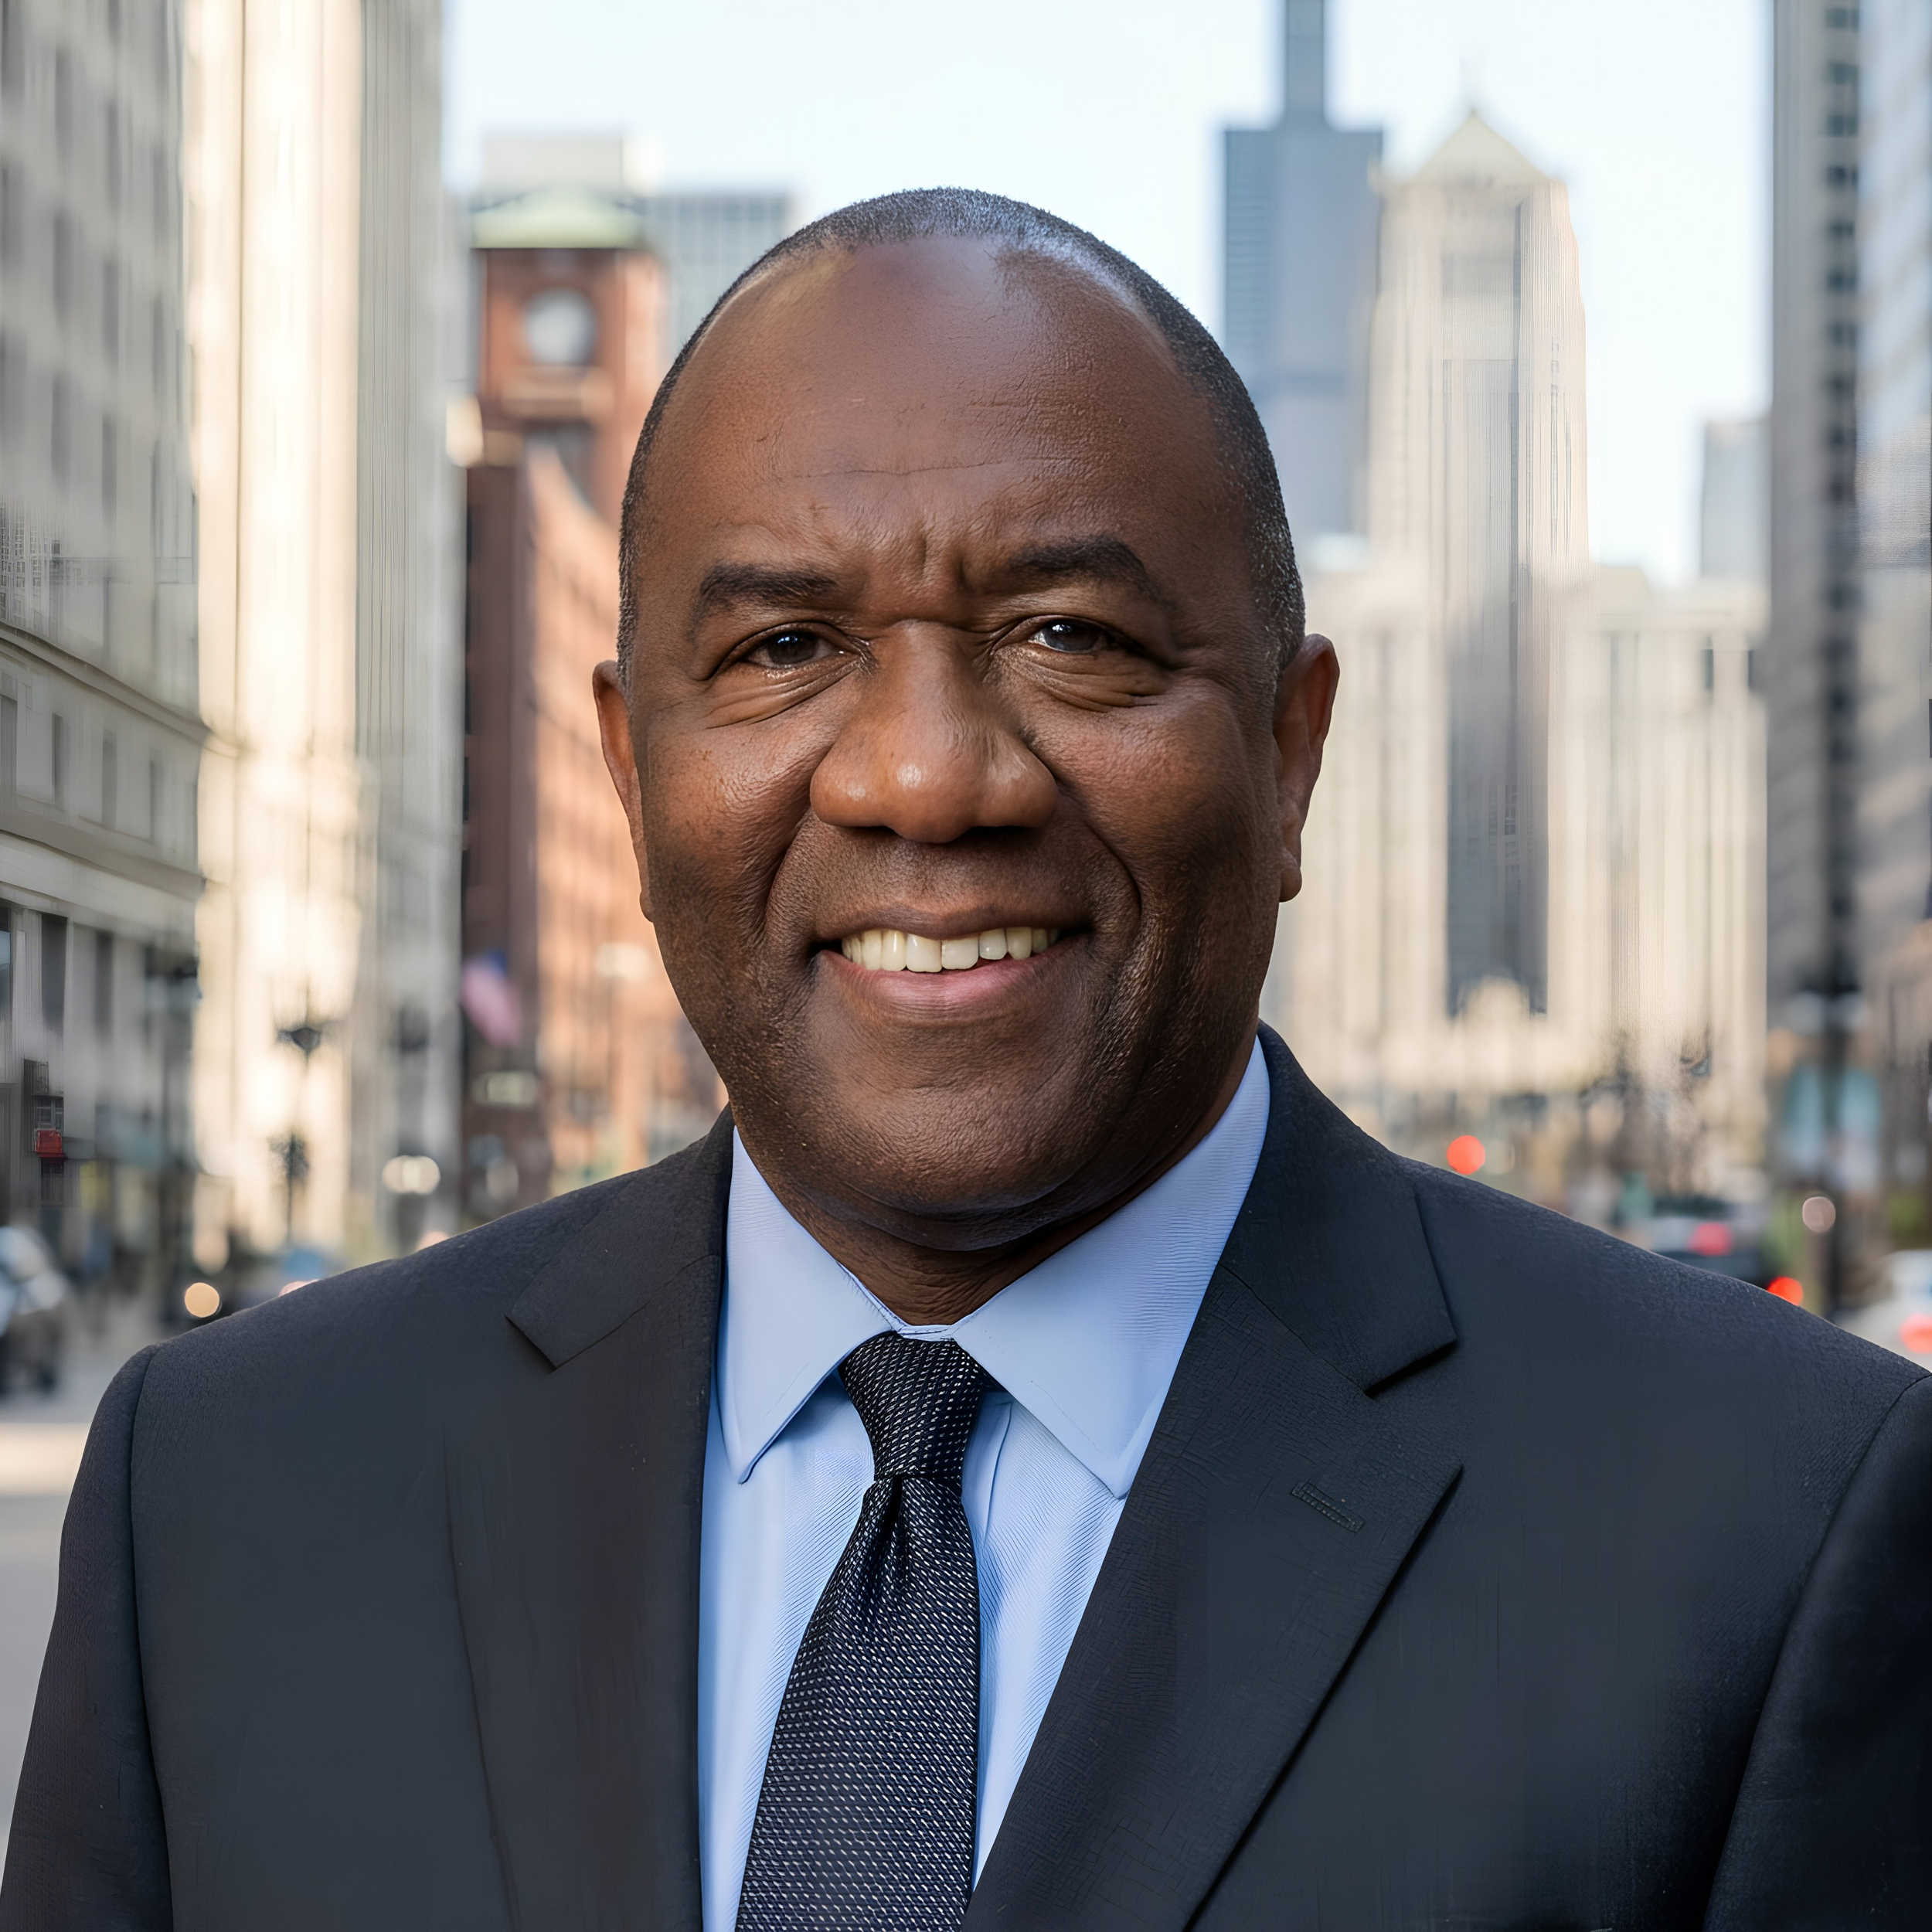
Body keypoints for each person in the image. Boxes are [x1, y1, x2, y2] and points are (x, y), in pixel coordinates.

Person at [4, 189, 1928, 1932]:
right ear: (628, 766)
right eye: (783, 649)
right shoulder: (225, 1494)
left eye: (1070, 632)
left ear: (1287, 753)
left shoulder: (1774, 1524)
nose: (926, 776)